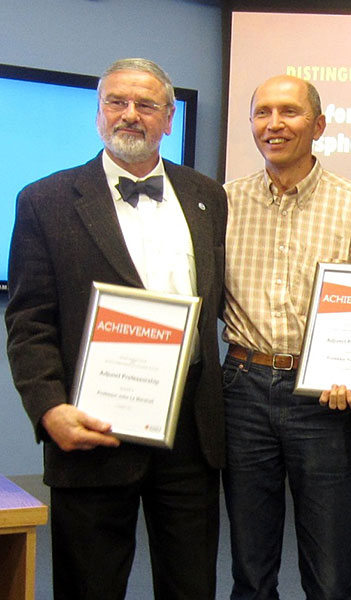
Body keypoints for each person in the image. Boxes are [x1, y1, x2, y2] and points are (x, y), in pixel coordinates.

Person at [5, 58, 227, 599]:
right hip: (92, 425)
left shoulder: (206, 196)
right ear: (99, 114)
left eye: (146, 105)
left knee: (191, 583)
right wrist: (48, 408)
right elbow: (28, 320)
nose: (130, 115)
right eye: (117, 103)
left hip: (191, 430)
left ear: (169, 119)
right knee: (90, 585)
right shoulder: (45, 199)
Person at [221, 74, 351, 600]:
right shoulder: (224, 202)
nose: (275, 124)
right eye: (263, 112)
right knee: (250, 566)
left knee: (331, 570)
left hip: (322, 400)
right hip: (243, 390)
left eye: (289, 112)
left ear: (318, 125)